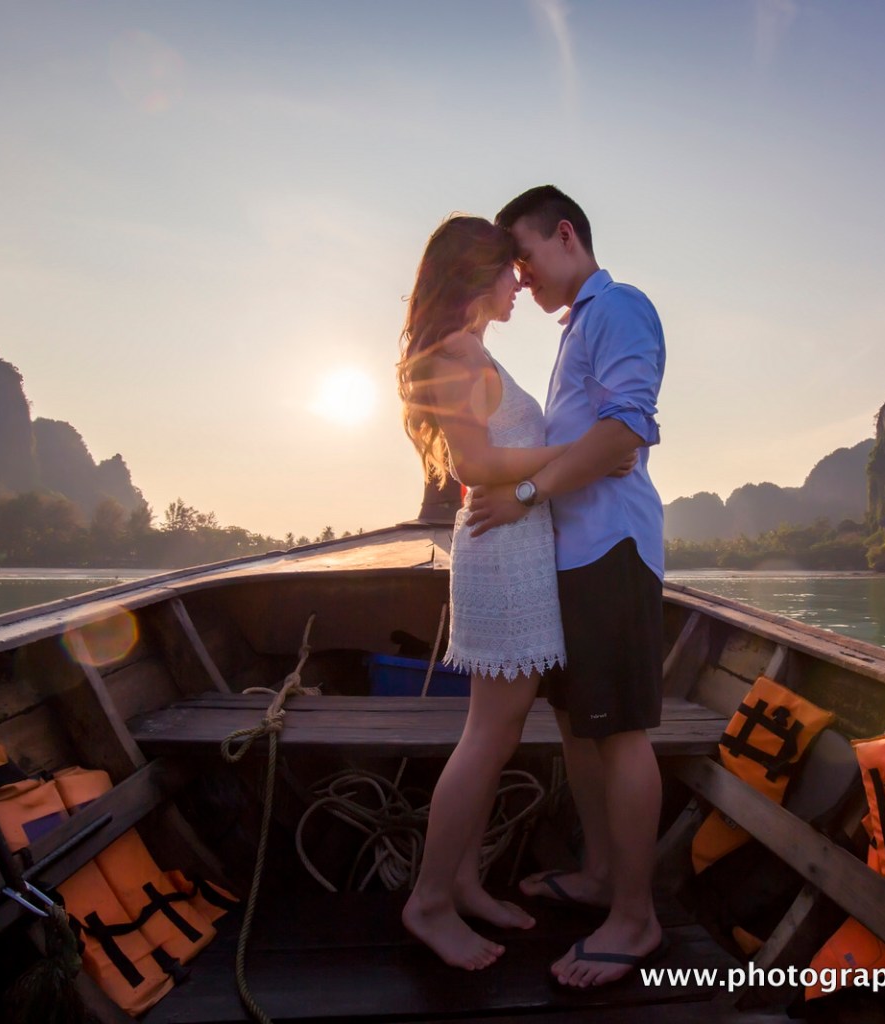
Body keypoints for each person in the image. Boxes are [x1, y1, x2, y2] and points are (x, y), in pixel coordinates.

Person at [395, 214, 633, 971]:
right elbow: (475, 459)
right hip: (502, 555)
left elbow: (490, 456)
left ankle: (462, 881)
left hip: (513, 546)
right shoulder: (455, 354)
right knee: (488, 738)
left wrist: (549, 473)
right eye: (509, 271)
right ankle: (428, 900)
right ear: (477, 275)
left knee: (492, 737)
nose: (519, 282)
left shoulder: (469, 351)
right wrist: (582, 452)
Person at [467, 185, 668, 988]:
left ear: (565, 234)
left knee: (619, 734)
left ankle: (637, 916)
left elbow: (626, 429)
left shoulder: (619, 306)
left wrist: (522, 494)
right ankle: (598, 878)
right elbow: (588, 438)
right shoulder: (577, 324)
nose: (522, 275)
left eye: (524, 255)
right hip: (572, 557)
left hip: (611, 549)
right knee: (581, 732)